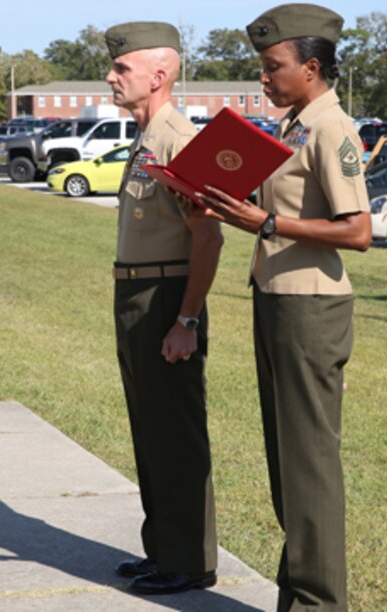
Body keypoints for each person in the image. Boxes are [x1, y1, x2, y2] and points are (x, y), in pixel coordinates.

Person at [193, 4, 372, 610]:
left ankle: (319, 604)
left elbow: (358, 231)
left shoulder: (331, 128)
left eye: (273, 68)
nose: (263, 79)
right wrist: (229, 208)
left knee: (309, 466)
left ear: (312, 68)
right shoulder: (295, 125)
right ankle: (297, 596)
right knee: (287, 466)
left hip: (310, 311)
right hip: (276, 299)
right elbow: (280, 221)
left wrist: (267, 220)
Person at [104, 21, 225, 596]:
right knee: (151, 430)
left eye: (121, 68)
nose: (110, 76)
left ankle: (191, 561)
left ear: (160, 74)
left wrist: (187, 320)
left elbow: (208, 239)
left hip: (166, 298)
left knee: (175, 431)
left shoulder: (182, 140)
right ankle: (165, 550)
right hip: (136, 293)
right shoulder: (148, 136)